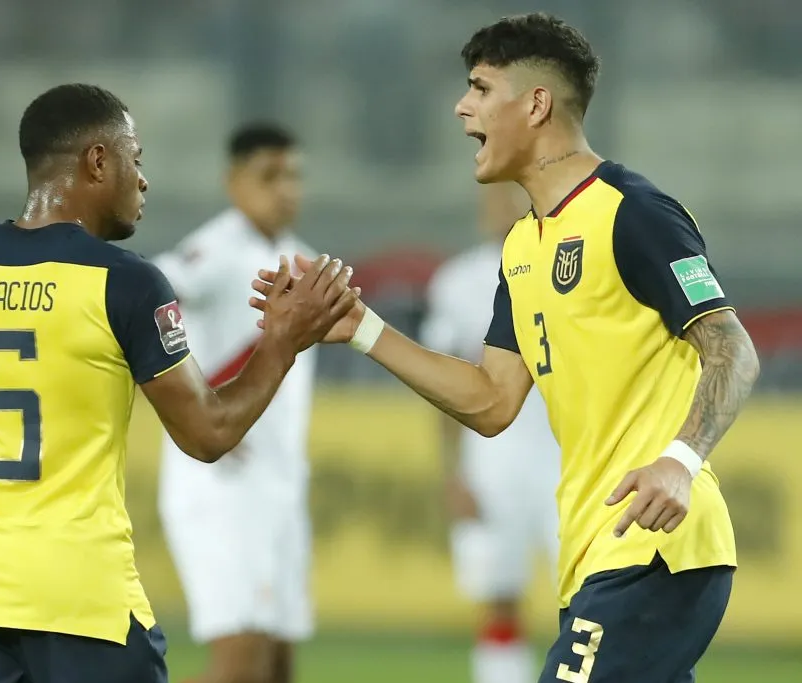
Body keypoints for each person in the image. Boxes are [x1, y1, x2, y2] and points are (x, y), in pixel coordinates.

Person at [250, 13, 761, 683]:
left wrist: (679, 460)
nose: (463, 107)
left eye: (481, 88)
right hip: (591, 555)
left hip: (657, 549)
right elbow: (491, 400)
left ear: (537, 103)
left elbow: (733, 347)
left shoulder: (631, 211)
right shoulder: (523, 246)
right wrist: (361, 326)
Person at [0, 83, 357, 683]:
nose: (143, 180)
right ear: (99, 161)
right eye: (136, 158)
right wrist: (282, 340)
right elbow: (209, 433)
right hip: (79, 596)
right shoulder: (124, 281)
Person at [154, 123, 315, 683]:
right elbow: (153, 291)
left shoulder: (303, 262)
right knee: (241, 659)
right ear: (233, 182)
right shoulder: (215, 251)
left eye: (293, 175)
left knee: (277, 664)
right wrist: (192, 404)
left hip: (281, 482)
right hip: (223, 483)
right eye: (269, 176)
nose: (285, 188)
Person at [420, 183, 559, 683]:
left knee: (587, 595)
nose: (495, 208)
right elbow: (443, 384)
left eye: (507, 197)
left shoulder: (567, 263)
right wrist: (453, 474)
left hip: (567, 457)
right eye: (489, 199)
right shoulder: (457, 281)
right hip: (492, 461)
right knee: (497, 596)